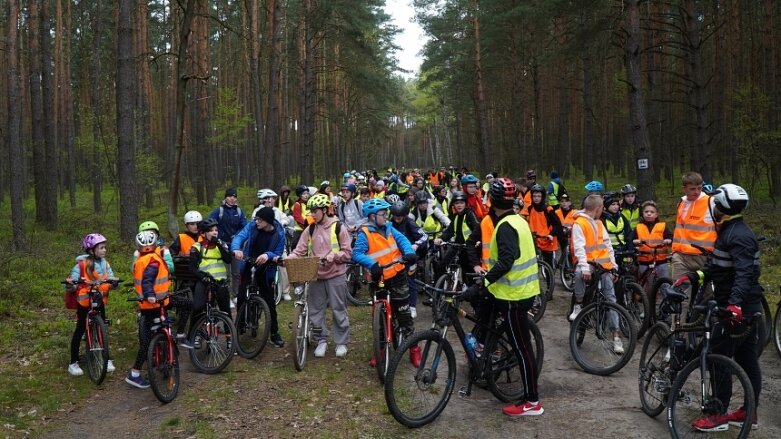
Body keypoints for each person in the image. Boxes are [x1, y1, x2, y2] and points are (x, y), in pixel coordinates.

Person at [676, 184, 762, 432]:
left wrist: (734, 304)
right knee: (746, 359)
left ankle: (717, 414)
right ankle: (748, 412)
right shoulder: (731, 231)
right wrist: (695, 277)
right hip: (743, 306)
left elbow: (745, 274)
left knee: (717, 357)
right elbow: (721, 268)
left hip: (736, 308)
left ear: (720, 207)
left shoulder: (737, 235)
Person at [461, 176, 543, 417]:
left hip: (514, 296)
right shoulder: (518, 220)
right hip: (513, 292)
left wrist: (484, 281)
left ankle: (532, 402)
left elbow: (507, 261)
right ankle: (484, 358)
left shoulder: (506, 226)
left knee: (522, 349)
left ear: (492, 201)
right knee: (490, 326)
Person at [352, 199, 420, 366]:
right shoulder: (364, 233)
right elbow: (357, 254)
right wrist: (372, 264)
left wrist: (409, 251)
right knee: (380, 317)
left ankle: (414, 348)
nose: (386, 216)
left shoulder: (390, 228)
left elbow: (403, 240)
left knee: (404, 315)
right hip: (378, 279)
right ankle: (380, 349)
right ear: (373, 216)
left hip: (397, 275)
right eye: (383, 214)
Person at [288, 194, 353, 357]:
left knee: (338, 309)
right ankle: (321, 340)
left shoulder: (338, 228)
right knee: (316, 311)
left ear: (325, 210)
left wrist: (334, 256)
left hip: (336, 275)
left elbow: (347, 253)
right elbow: (299, 250)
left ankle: (341, 343)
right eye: (310, 211)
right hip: (315, 275)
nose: (312, 214)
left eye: (315, 211)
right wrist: (287, 259)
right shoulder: (310, 229)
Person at [569, 194, 625, 354]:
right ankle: (578, 305)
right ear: (598, 208)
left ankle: (616, 337)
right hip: (587, 263)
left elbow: (607, 246)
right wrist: (585, 267)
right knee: (580, 274)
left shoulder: (600, 223)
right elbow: (579, 247)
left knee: (611, 299)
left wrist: (613, 266)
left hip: (603, 265)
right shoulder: (579, 223)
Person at [231, 207, 287, 347]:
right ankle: (240, 325)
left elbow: (278, 252)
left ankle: (274, 333)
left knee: (269, 301)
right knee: (242, 296)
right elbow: (240, 236)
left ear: (268, 221)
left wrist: (268, 255)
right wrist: (236, 249)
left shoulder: (279, 233)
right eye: (256, 219)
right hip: (249, 262)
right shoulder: (252, 226)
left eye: (260, 220)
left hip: (266, 266)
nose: (257, 222)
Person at [66, 233, 118, 377]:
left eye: (105, 247)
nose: (104, 250)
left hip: (99, 300)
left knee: (102, 329)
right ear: (91, 251)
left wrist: (114, 282)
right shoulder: (81, 265)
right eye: (101, 248)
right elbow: (73, 284)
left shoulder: (105, 264)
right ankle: (73, 362)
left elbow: (110, 277)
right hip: (84, 303)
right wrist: (71, 284)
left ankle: (105, 357)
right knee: (80, 329)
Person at [127, 230, 172, 389]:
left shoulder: (139, 260)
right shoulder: (153, 259)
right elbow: (147, 280)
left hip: (146, 305)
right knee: (161, 330)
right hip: (156, 303)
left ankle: (136, 372)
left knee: (146, 341)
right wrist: (150, 294)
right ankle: (137, 372)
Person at [189, 218, 233, 337]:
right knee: (198, 308)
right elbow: (192, 269)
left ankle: (230, 338)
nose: (215, 233)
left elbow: (228, 259)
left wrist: (218, 243)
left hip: (220, 282)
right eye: (211, 231)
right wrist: (203, 278)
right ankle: (195, 335)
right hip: (204, 282)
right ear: (203, 233)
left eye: (216, 230)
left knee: (226, 310)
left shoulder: (221, 244)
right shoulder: (196, 247)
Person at [670, 172, 716, 280]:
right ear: (684, 189)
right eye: (692, 189)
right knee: (679, 292)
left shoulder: (711, 203)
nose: (697, 192)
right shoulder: (682, 203)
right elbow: (680, 229)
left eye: (699, 188)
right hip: (680, 256)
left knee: (706, 294)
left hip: (703, 256)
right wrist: (675, 252)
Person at [208, 188, 247, 308]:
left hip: (236, 246)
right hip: (222, 245)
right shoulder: (219, 211)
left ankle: (235, 295)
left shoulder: (239, 211)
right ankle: (227, 297)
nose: (232, 198)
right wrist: (218, 238)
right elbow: (210, 224)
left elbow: (244, 227)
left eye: (234, 197)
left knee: (236, 272)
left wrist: (238, 236)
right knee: (225, 273)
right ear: (225, 197)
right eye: (230, 196)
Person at [390, 201, 427, 318]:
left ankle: (412, 306)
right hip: (395, 258)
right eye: (395, 216)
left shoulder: (410, 223)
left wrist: (416, 245)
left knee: (410, 281)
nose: (397, 218)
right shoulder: (389, 224)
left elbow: (424, 236)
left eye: (399, 216)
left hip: (410, 258)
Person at [255, 188, 293, 301]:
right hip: (263, 245)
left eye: (271, 198)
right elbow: (254, 221)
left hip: (279, 244)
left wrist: (284, 222)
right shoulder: (258, 211)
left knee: (284, 263)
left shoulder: (277, 211)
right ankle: (260, 289)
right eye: (268, 198)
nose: (270, 201)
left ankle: (286, 291)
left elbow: (286, 218)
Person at [434, 191, 479, 284]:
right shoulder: (455, 216)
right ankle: (437, 290)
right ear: (454, 204)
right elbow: (449, 231)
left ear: (465, 204)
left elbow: (477, 228)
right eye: (457, 203)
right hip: (457, 245)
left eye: (461, 203)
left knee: (467, 270)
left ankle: (468, 291)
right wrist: (441, 239)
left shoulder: (470, 214)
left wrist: (477, 241)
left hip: (468, 247)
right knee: (441, 265)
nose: (459, 205)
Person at [525, 184, 563, 281]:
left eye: (538, 196)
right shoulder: (529, 209)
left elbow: (557, 224)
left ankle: (549, 287)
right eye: (534, 196)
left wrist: (552, 234)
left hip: (547, 241)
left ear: (542, 197)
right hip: (534, 240)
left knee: (548, 267)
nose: (536, 198)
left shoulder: (548, 209)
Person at [632, 201, 672, 279]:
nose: (649, 214)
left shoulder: (662, 226)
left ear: (656, 214)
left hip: (661, 261)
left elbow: (671, 237)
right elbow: (631, 240)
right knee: (644, 284)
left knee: (664, 283)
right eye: (646, 212)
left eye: (652, 212)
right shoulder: (638, 227)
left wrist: (668, 240)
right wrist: (635, 242)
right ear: (642, 213)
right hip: (643, 261)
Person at [291, 185, 311, 250]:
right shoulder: (297, 204)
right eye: (304, 194)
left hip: (311, 228)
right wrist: (306, 225)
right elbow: (298, 218)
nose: (306, 195)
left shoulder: (310, 203)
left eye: (307, 193)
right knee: (295, 245)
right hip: (300, 229)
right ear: (300, 195)